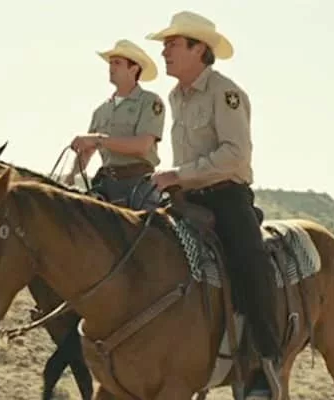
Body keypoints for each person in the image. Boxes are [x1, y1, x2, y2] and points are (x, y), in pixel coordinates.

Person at [146, 11, 283, 400]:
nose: (164, 51)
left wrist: (178, 174)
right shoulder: (175, 97)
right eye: (165, 45)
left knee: (250, 263)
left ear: (198, 49)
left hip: (226, 197)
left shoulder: (226, 93)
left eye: (173, 44)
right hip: (185, 199)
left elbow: (235, 155)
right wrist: (173, 182)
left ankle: (264, 362)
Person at [66, 39, 166, 211]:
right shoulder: (101, 110)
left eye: (117, 63)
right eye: (110, 63)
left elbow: (142, 146)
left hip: (137, 184)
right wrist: (71, 175)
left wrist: (98, 139)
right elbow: (88, 150)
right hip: (105, 185)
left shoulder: (150, 102)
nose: (111, 68)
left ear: (134, 69)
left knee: (150, 225)